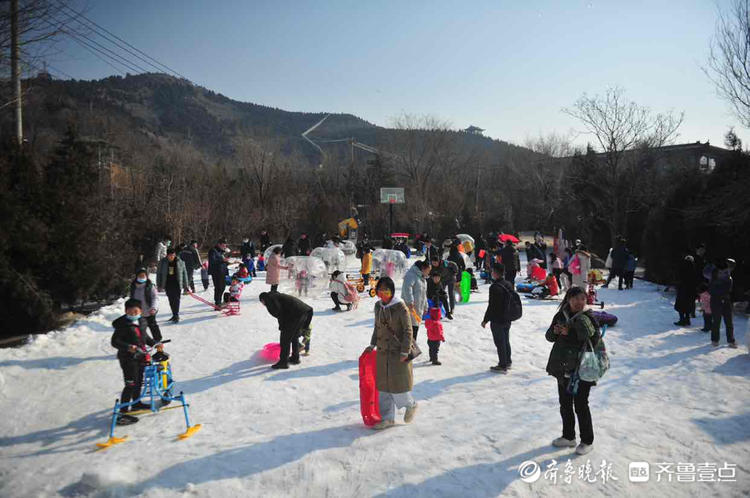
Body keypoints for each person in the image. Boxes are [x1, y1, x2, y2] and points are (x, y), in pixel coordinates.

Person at [544, 286, 601, 455]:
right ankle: (569, 437)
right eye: (575, 298)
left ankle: (587, 440)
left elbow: (595, 338)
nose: (579, 302)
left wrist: (570, 333)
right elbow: (549, 337)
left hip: (582, 368)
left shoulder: (588, 317)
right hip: (563, 368)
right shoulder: (561, 315)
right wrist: (555, 332)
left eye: (582, 298)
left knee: (581, 405)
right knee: (565, 404)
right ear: (568, 299)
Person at [362, 277, 418, 429]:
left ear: (392, 292)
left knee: (397, 386)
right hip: (382, 352)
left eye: (385, 291)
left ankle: (411, 404)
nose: (382, 295)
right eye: (379, 292)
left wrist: (405, 351)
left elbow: (408, 330)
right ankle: (387, 418)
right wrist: (372, 344)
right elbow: (377, 327)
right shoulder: (378, 307)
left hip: (398, 352)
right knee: (383, 387)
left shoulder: (400, 307)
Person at [110, 298, 163, 425]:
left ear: (140, 311)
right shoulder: (122, 325)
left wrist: (155, 344)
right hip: (127, 359)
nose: (133, 314)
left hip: (140, 357)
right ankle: (123, 413)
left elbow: (144, 337)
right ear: (125, 311)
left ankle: (136, 403)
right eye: (130, 312)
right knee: (130, 384)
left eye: (136, 311)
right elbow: (115, 341)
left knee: (139, 381)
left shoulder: (142, 320)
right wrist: (128, 347)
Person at [259, 291, 313, 369]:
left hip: (297, 314)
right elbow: (282, 312)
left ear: (263, 299)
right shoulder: (275, 296)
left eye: (262, 302)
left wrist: (282, 327)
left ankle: (283, 362)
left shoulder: (270, 299)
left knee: (285, 340)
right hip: (304, 312)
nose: (263, 304)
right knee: (294, 336)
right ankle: (295, 358)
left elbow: (278, 313)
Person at [481, 264, 514, 373]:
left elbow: (492, 306)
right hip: (507, 318)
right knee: (506, 340)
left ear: (495, 273)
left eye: (492, 271)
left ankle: (502, 364)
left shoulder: (494, 287)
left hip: (497, 319)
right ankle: (508, 361)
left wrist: (485, 319)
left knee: (500, 342)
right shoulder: (508, 284)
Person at [156, 248, 189, 323]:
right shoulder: (162, 262)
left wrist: (186, 285)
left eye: (173, 255)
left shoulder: (180, 261)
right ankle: (174, 314)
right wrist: (159, 285)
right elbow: (159, 274)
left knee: (176, 299)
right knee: (171, 300)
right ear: (167, 255)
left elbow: (185, 274)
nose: (172, 257)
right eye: (170, 255)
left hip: (177, 283)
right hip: (167, 283)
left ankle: (176, 315)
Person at [709, 259, 737, 348]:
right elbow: (712, 289)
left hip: (726, 301)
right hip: (716, 301)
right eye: (729, 266)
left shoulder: (729, 278)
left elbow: (729, 290)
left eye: (731, 267)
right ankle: (715, 340)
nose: (730, 269)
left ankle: (731, 341)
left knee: (729, 322)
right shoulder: (715, 275)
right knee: (716, 321)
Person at [129, 268, 162, 341]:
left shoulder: (150, 286)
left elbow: (155, 298)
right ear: (137, 277)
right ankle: (143, 341)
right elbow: (131, 298)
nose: (142, 278)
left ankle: (158, 340)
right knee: (142, 328)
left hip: (150, 310)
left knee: (153, 326)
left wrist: (153, 308)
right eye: (140, 276)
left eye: (143, 276)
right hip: (139, 312)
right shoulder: (133, 286)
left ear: (146, 277)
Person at [402, 260, 429, 341]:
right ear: (423, 269)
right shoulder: (411, 275)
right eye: (428, 270)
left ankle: (411, 349)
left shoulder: (422, 278)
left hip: (418, 308)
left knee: (415, 329)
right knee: (409, 330)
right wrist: (410, 302)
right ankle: (407, 350)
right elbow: (407, 288)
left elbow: (424, 294)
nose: (429, 272)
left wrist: (425, 306)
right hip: (410, 308)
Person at [674, 255, 697, 326]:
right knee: (688, 304)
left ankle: (682, 320)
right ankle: (687, 319)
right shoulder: (694, 268)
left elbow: (679, 276)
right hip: (691, 289)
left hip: (683, 288)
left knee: (680, 304)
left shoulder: (682, 267)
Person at [208, 238, 231, 308]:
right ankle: (217, 302)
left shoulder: (221, 251)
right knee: (218, 287)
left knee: (222, 287)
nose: (225, 247)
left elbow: (223, 260)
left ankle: (219, 301)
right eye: (223, 245)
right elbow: (212, 261)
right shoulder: (213, 251)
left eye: (225, 245)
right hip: (216, 272)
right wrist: (222, 260)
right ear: (219, 244)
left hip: (222, 271)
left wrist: (227, 261)